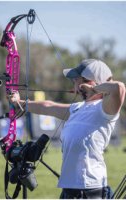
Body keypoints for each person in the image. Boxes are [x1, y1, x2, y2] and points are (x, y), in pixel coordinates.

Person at [8, 59, 126, 199]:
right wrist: (19, 103)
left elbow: (119, 88)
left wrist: (94, 89)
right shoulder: (77, 108)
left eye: (76, 80)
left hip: (90, 190)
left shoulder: (105, 109)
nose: (74, 85)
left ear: (88, 82)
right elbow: (48, 107)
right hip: (69, 190)